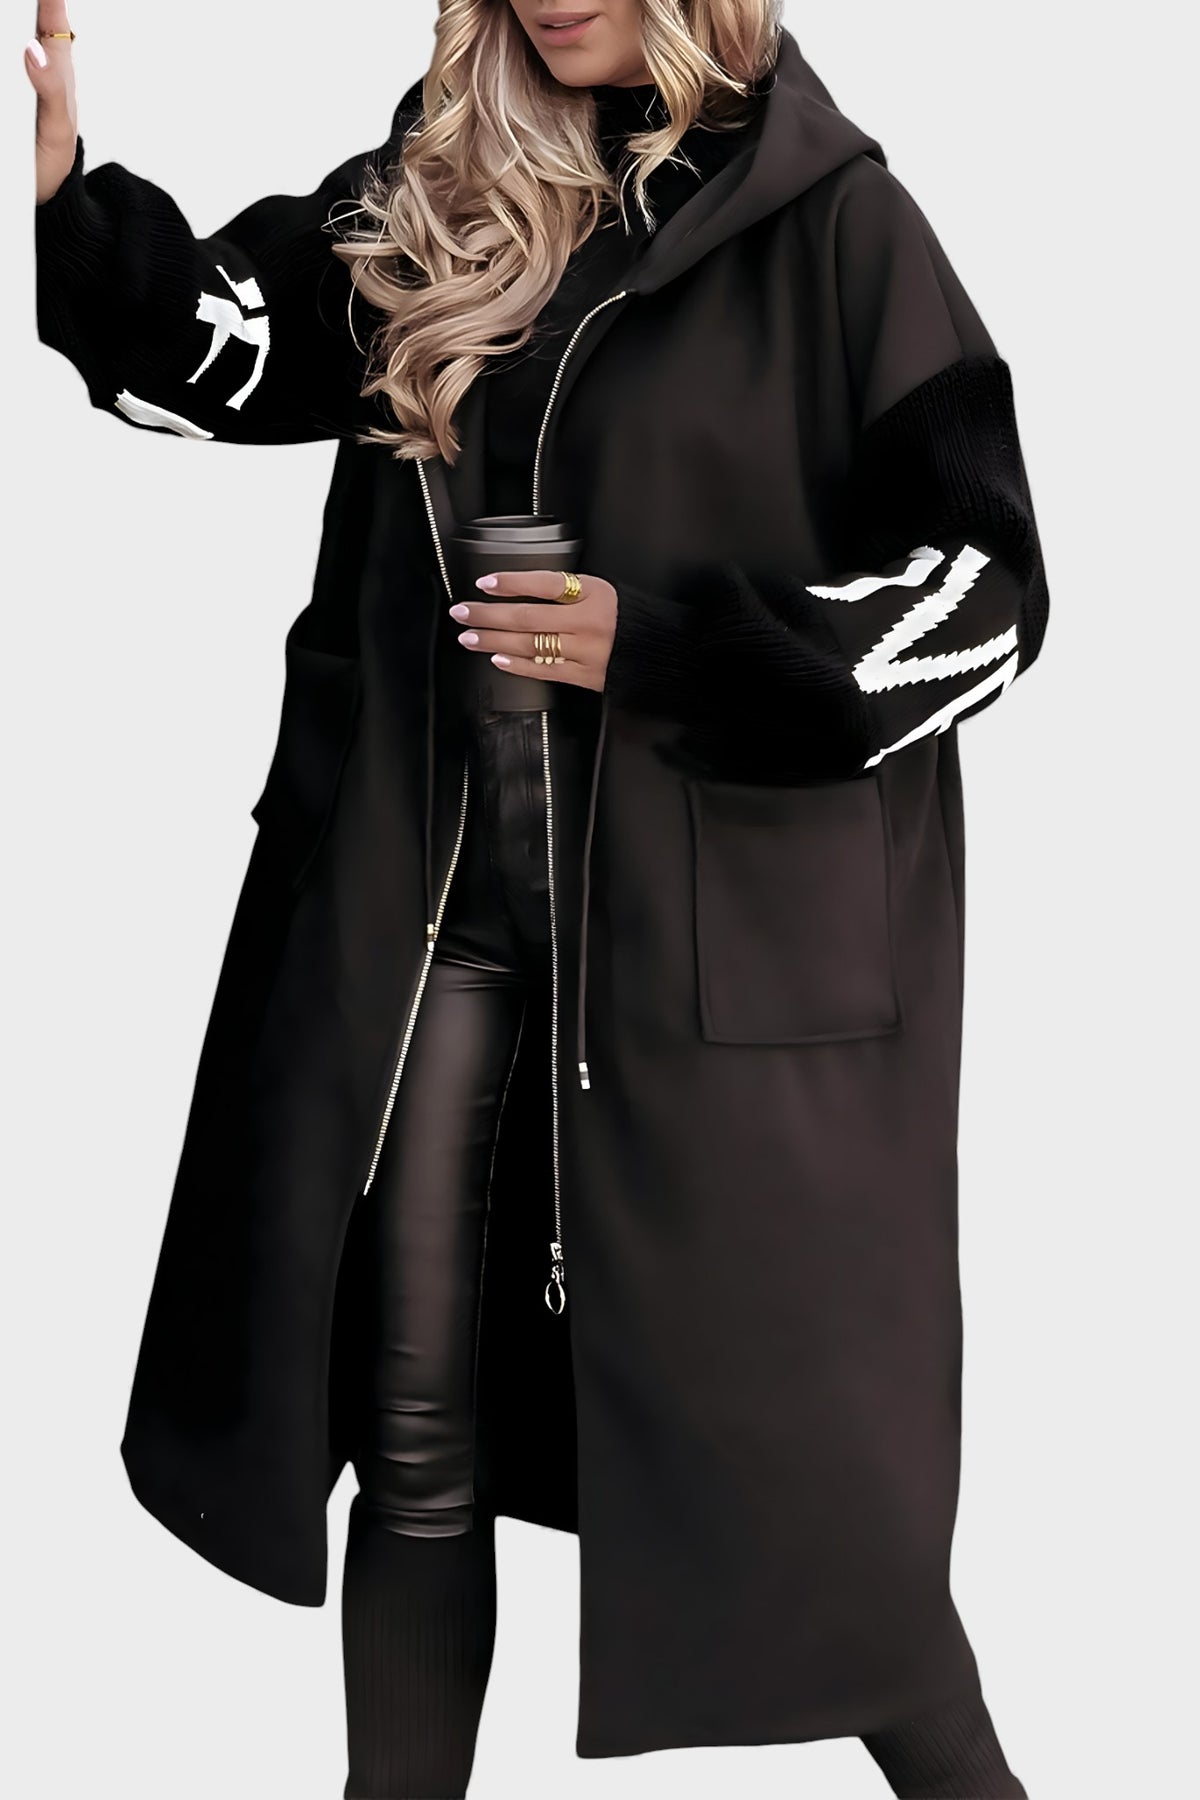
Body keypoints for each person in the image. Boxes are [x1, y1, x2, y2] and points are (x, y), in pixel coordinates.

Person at [27, 2, 1047, 1795]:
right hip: (437, 921)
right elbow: (233, 352)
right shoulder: (447, 183)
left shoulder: (841, 226)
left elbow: (988, 597)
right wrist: (70, 214)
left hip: (711, 962)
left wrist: (677, 647)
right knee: (414, 1437)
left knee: (825, 1497)